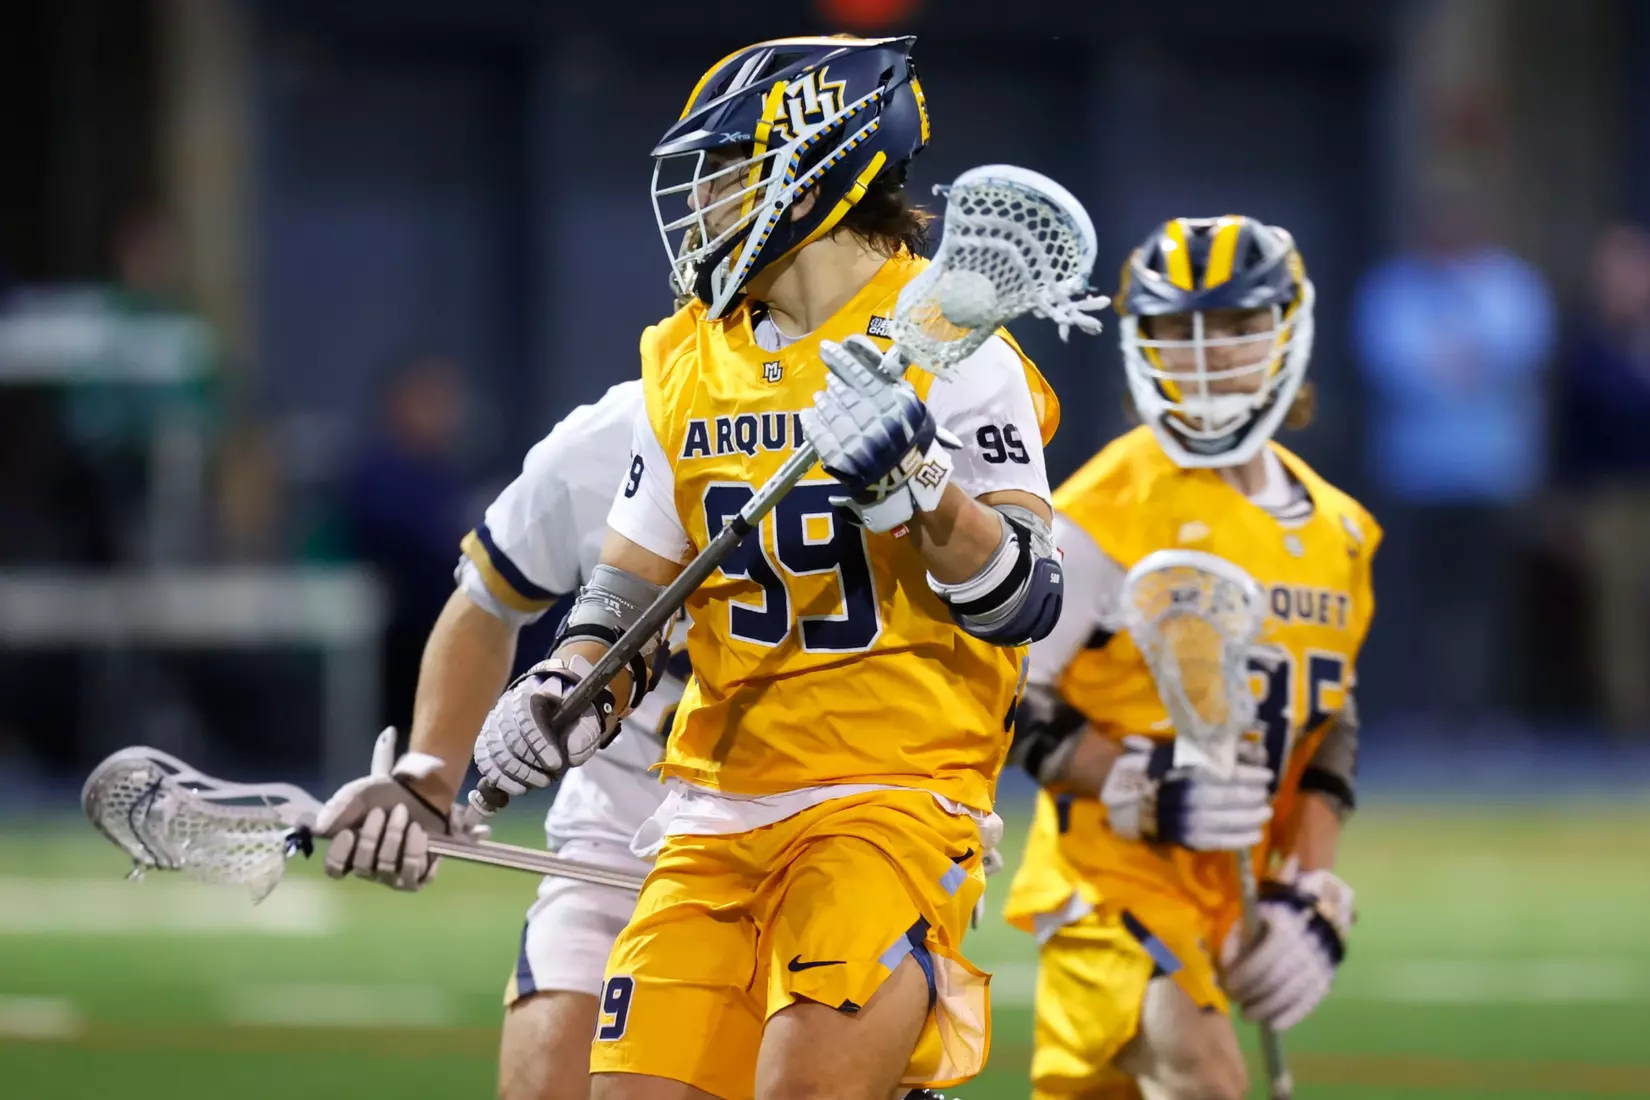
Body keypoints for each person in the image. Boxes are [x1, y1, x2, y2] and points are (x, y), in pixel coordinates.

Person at [471, 34, 1067, 1100]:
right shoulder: (689, 353)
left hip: (890, 794)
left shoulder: (950, 343)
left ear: (817, 166)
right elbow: (627, 585)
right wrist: (565, 681)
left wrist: (921, 484)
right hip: (713, 804)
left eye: (724, 169)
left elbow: (1027, 595)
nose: (699, 202)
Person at [1004, 217, 1375, 1099]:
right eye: (1180, 331)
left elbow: (1329, 727)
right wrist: (1138, 782)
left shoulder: (1342, 529)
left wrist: (1312, 889)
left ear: (1289, 328)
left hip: (1236, 892)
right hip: (1111, 879)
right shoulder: (1103, 508)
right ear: (1142, 342)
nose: (1209, 357)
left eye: (1239, 326)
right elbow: (1008, 695)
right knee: (1207, 1077)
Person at [314, 379, 689, 1100]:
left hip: (821, 835)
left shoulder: (875, 427)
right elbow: (488, 603)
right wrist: (426, 778)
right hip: (623, 832)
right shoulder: (613, 435)